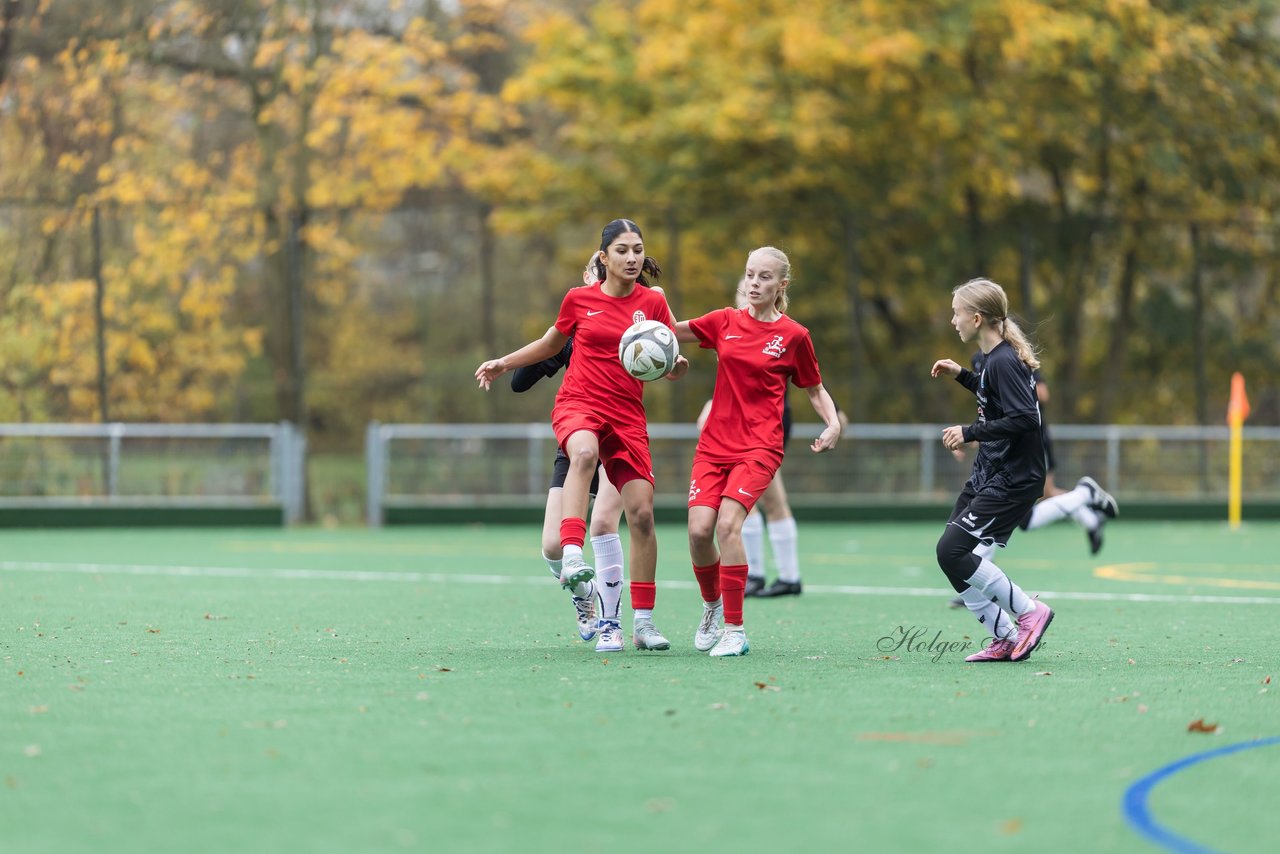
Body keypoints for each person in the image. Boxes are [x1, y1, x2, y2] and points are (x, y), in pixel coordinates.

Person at [476, 219, 687, 652]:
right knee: (584, 453)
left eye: (638, 250)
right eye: (623, 250)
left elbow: (670, 359)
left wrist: (673, 366)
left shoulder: (653, 304)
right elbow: (551, 344)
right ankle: (573, 554)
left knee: (643, 516)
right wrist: (503, 362)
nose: (632, 258)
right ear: (603, 257)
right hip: (580, 406)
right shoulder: (579, 299)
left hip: (627, 416)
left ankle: (642, 624)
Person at [673, 247, 841, 657]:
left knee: (728, 526)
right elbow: (669, 330)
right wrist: (636, 314)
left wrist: (832, 422)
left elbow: (814, 389)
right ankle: (713, 606)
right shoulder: (723, 321)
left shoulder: (794, 336)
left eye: (764, 277)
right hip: (714, 444)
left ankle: (735, 630)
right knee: (698, 533)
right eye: (749, 274)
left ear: (781, 285)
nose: (753, 283)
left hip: (760, 446)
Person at [930, 277, 1054, 663]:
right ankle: (1004, 635)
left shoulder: (1002, 361)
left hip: (1014, 477)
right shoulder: (989, 361)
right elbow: (995, 399)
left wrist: (969, 432)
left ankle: (1030, 612)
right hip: (992, 471)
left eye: (957, 314)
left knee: (952, 550)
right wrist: (963, 376)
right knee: (951, 555)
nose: (953, 321)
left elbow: (1023, 419)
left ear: (978, 317)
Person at [696, 392, 848, 599]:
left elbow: (801, 371)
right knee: (769, 499)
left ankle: (761, 575)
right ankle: (786, 576)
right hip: (752, 415)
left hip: (764, 417)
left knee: (743, 494)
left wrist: (834, 413)